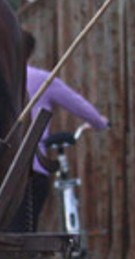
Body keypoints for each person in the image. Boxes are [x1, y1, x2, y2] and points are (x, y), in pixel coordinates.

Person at [22, 63, 109, 229]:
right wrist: (99, 122)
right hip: (32, 167)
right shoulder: (41, 79)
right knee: (25, 229)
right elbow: (76, 103)